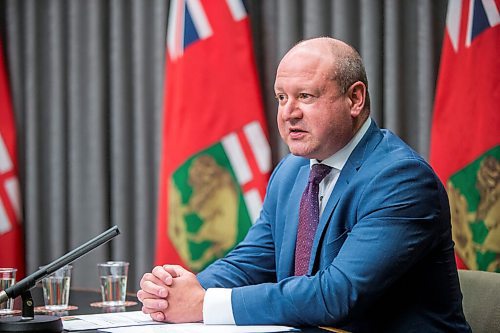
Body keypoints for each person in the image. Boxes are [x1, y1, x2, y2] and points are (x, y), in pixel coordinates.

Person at [137, 37, 471, 332]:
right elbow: (251, 261)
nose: (288, 113)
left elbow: (336, 294)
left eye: (305, 96)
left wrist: (204, 305)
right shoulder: (292, 172)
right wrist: (177, 293)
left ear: (355, 99)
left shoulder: (401, 180)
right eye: (281, 97)